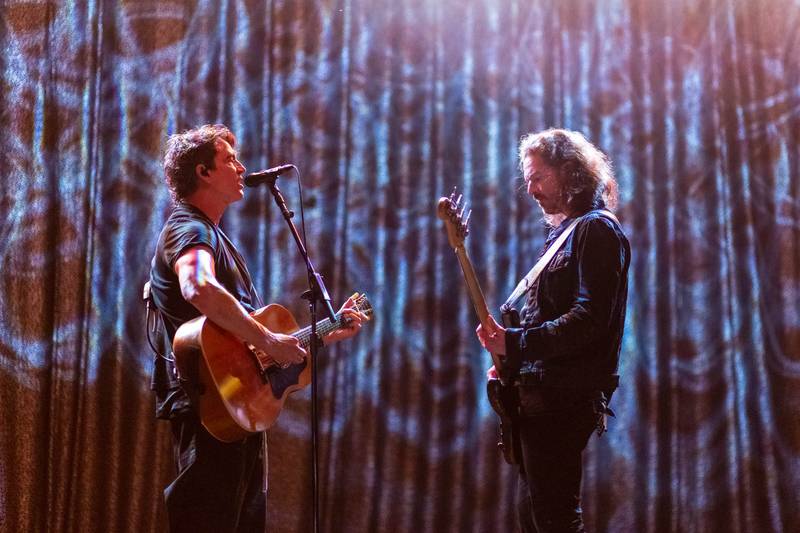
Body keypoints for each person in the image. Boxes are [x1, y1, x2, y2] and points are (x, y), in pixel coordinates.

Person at [148, 124, 366, 532]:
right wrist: (267, 338)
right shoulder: (188, 228)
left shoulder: (215, 235)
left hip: (236, 408)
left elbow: (250, 347)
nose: (241, 166)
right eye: (229, 159)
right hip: (207, 404)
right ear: (203, 172)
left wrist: (321, 333)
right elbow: (197, 287)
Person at [476, 128, 630, 532]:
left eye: (538, 177)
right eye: (526, 179)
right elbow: (544, 317)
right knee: (534, 517)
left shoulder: (596, 230)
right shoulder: (560, 235)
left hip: (563, 397)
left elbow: (590, 320)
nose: (530, 189)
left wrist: (517, 343)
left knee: (555, 518)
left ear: (570, 172)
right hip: (537, 393)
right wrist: (510, 358)